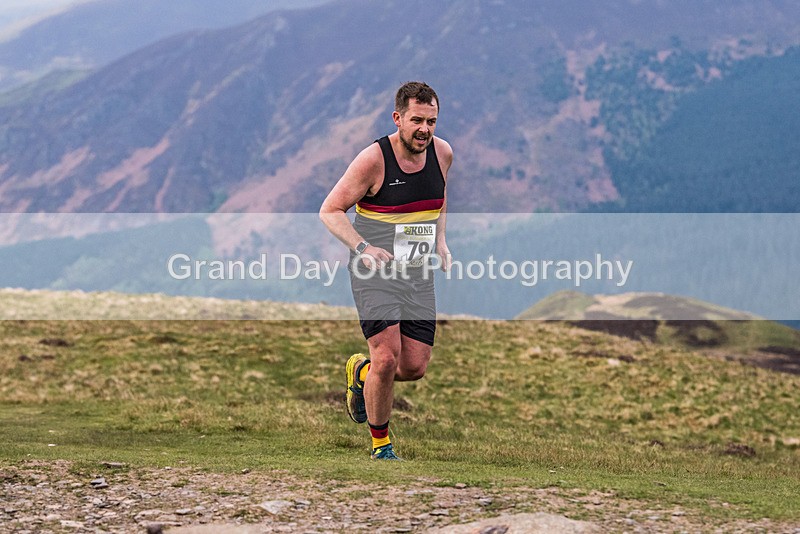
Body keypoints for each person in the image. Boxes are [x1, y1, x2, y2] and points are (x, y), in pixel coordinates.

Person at [319, 81, 453, 460]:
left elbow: (440, 198)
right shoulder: (374, 160)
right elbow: (330, 210)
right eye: (416, 121)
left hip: (417, 271)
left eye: (431, 121)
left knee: (414, 367)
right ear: (398, 118)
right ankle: (382, 446)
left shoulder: (443, 154)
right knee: (387, 357)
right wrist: (363, 248)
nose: (424, 129)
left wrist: (441, 241)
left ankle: (361, 373)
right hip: (374, 272)